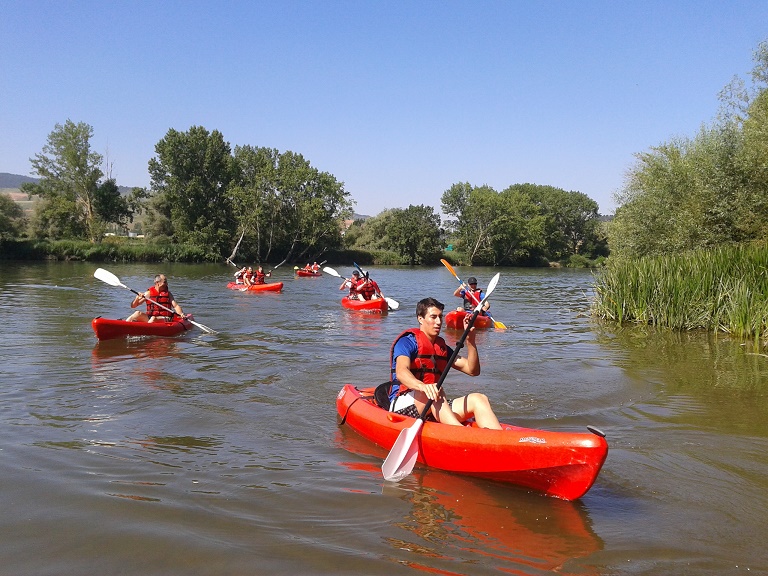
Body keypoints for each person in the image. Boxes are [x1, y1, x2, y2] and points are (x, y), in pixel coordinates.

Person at [386, 297, 501, 429]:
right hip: (402, 406)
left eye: (440, 317)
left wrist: (471, 342)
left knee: (479, 399)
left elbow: (472, 370)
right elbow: (401, 372)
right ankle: (462, 433)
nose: (439, 322)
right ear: (420, 319)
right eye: (433, 317)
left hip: (433, 402)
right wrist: (423, 386)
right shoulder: (407, 342)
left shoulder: (442, 347)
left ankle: (501, 440)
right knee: (435, 391)